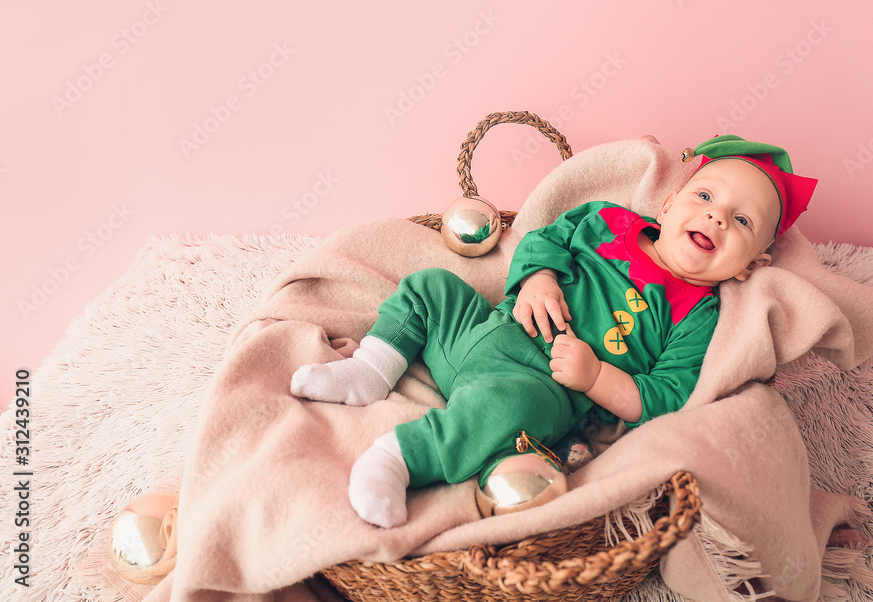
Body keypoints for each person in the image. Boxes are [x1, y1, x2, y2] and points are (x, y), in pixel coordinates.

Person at [291, 135, 818, 528]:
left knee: (503, 409)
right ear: (668, 205)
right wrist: (538, 278)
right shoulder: (608, 222)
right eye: (705, 197)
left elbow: (666, 397)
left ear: (751, 266)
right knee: (432, 286)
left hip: (538, 387)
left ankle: (400, 456)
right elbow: (543, 238)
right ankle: (370, 370)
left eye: (743, 221)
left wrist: (596, 378)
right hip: (486, 329)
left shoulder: (697, 315)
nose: (717, 217)